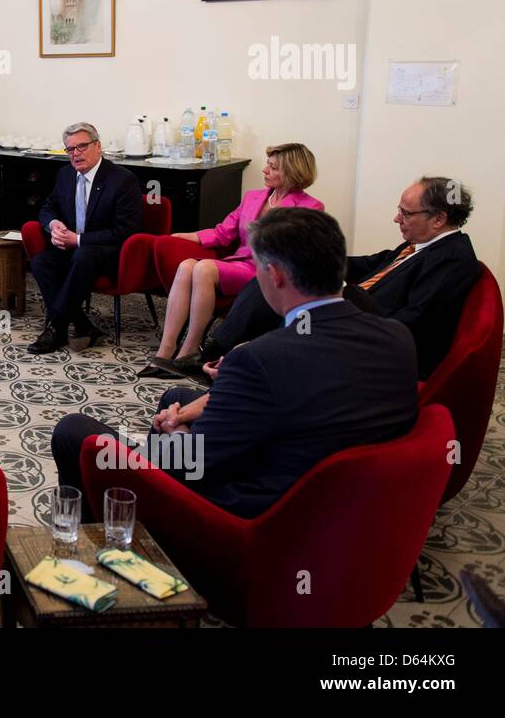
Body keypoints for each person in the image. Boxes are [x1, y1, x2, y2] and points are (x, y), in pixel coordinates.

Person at [51, 208, 419, 518]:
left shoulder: (259, 359)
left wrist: (178, 436)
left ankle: (132, 533)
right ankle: (142, 515)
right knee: (174, 398)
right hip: (346, 505)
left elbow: (196, 463)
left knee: (74, 431)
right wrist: (197, 411)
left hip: (247, 513)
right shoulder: (397, 336)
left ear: (274, 275)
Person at [170, 176, 479, 383]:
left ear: (438, 218)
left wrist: (342, 293)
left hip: (371, 340)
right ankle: (216, 357)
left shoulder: (451, 260)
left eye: (406, 213)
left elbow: (411, 324)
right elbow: (372, 263)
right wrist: (313, 257)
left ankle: (230, 364)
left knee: (294, 295)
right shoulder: (422, 246)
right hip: (358, 315)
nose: (396, 219)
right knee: (275, 275)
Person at [141, 143, 322, 377]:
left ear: (292, 172)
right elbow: (222, 232)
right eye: (267, 164)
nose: (265, 169)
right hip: (240, 263)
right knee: (187, 266)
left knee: (204, 268)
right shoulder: (253, 197)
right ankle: (166, 350)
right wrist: (177, 236)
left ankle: (190, 351)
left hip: (266, 272)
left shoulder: (310, 207)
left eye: (273, 167)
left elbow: (300, 253)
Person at [28, 122, 143, 354]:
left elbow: (125, 232)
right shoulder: (65, 175)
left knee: (84, 254)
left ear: (98, 146)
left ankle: (56, 327)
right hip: (74, 249)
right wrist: (53, 225)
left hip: (112, 253)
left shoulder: (122, 180)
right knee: (41, 262)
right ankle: (82, 325)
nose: (76, 154)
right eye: (70, 149)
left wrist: (78, 240)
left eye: (82, 146)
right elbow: (47, 208)